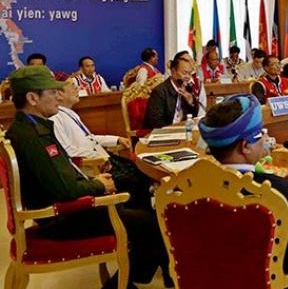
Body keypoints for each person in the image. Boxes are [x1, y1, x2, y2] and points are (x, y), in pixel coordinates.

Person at [5, 65, 167, 287]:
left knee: (140, 210)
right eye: (52, 92)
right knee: (154, 223)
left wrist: (94, 183)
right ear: (33, 98)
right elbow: (66, 189)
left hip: (67, 210)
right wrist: (98, 186)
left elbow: (62, 177)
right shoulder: (34, 137)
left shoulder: (27, 128)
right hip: (63, 217)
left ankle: (131, 280)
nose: (57, 97)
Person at [198, 95, 288, 288]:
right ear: (245, 146)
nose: (265, 138)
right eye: (260, 133)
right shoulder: (275, 191)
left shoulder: (191, 189)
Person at [51, 80, 152, 210]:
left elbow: (89, 138)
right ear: (59, 94)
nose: (77, 89)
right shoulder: (55, 118)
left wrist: (116, 139)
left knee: (139, 167)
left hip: (102, 158)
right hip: (92, 166)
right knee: (133, 177)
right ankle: (136, 214)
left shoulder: (69, 113)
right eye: (73, 86)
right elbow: (68, 151)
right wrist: (100, 159)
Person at [144, 56, 200, 129]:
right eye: (184, 73)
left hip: (181, 130)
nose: (188, 77)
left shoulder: (188, 89)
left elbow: (193, 117)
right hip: (163, 132)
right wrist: (174, 128)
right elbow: (155, 121)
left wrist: (191, 102)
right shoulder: (160, 91)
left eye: (189, 74)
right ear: (173, 72)